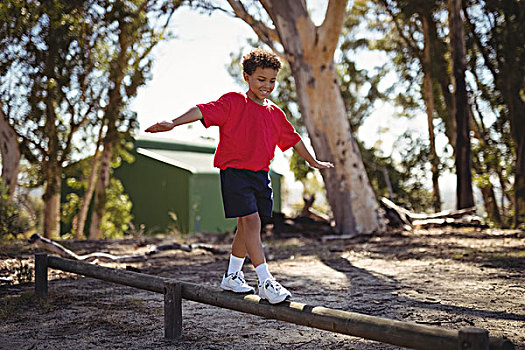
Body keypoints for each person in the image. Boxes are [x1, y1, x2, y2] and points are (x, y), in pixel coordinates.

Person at [145, 48, 334, 304]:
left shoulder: (275, 113)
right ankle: (265, 280)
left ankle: (232, 276)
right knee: (252, 223)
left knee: (246, 227)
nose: (267, 86)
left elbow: (294, 139)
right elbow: (202, 110)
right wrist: (173, 123)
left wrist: (312, 161)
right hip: (235, 173)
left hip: (261, 176)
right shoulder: (234, 102)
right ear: (246, 77)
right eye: (261, 79)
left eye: (271, 81)